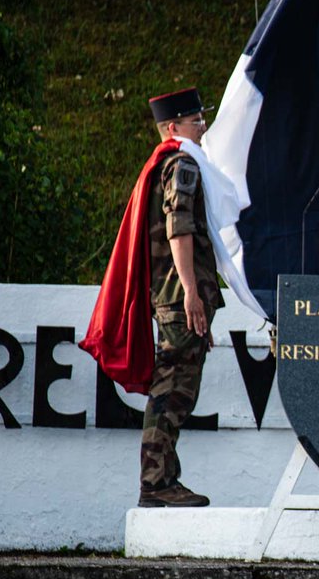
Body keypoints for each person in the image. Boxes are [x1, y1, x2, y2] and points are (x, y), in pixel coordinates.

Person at [82, 87, 224, 508]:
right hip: (180, 294)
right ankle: (157, 484)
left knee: (175, 386)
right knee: (173, 389)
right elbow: (179, 229)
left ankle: (161, 480)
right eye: (196, 120)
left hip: (173, 296)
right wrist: (192, 295)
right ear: (173, 126)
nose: (204, 126)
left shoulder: (166, 163)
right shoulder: (182, 164)